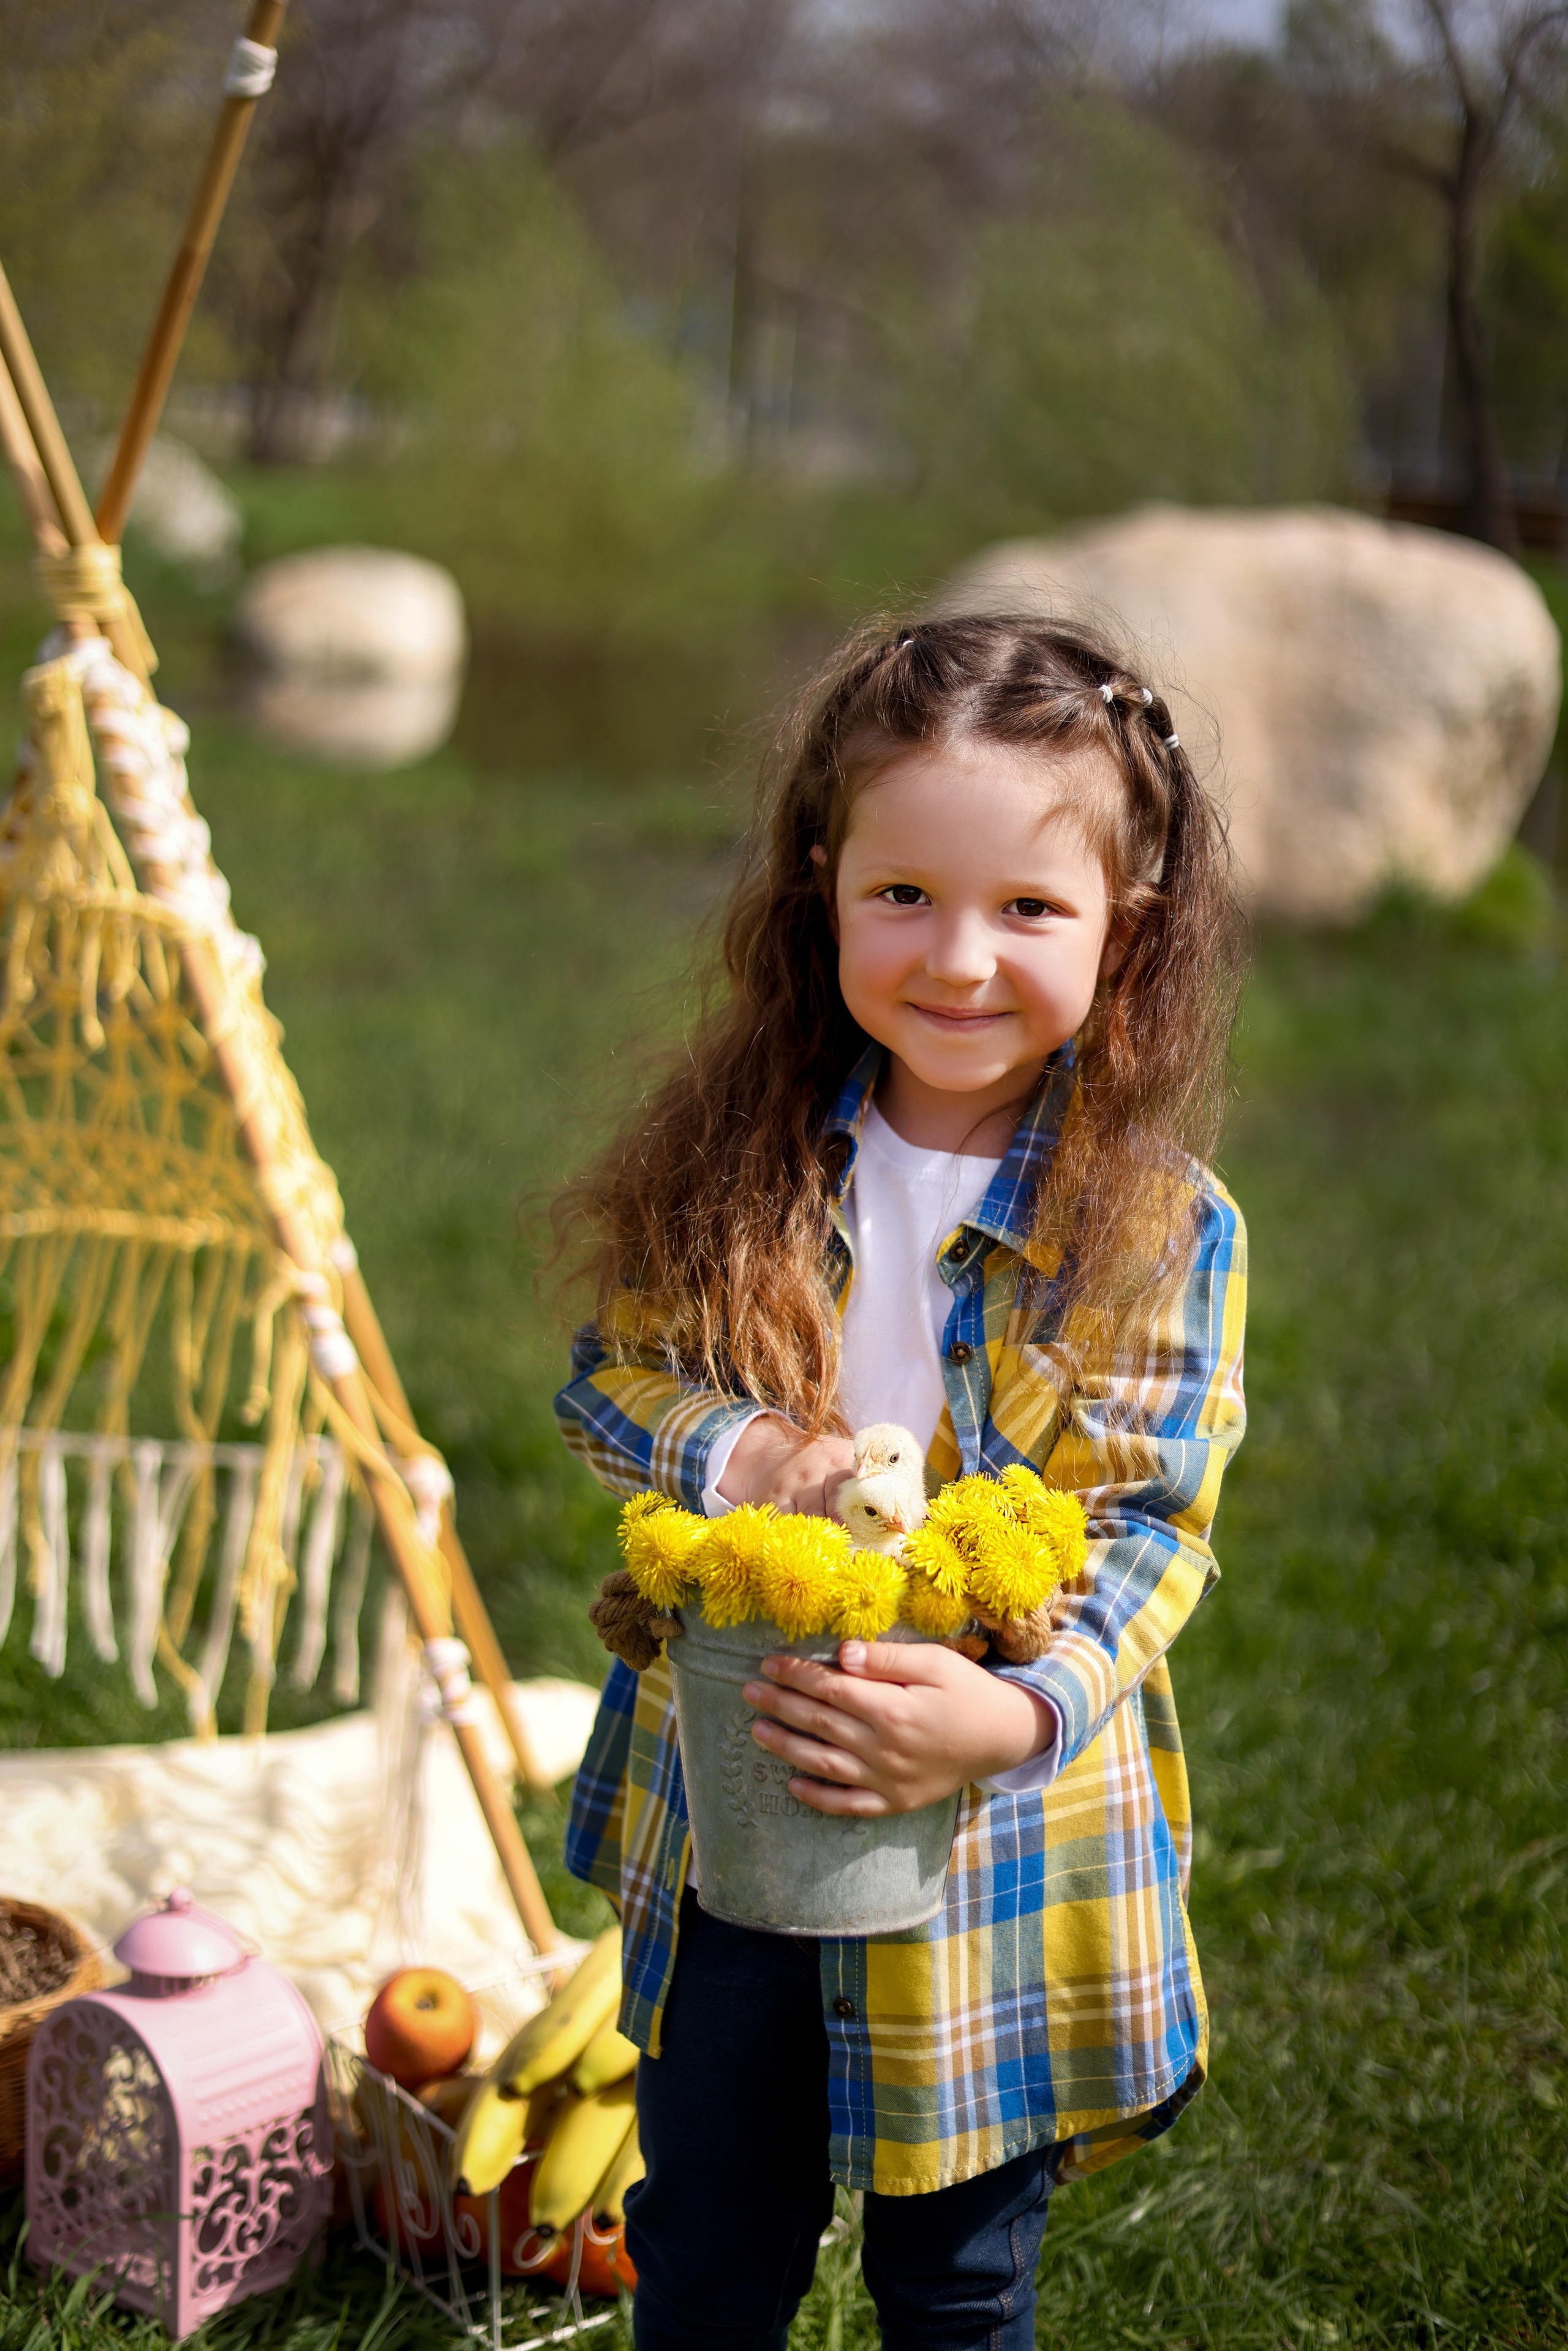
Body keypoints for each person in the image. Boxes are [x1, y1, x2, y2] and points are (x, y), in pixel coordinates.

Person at [551, 614, 1248, 2350]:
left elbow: (1148, 1527)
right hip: (746, 1767)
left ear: (1125, 930)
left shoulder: (1160, 1228)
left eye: (1029, 909)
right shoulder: (745, 1165)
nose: (959, 960)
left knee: (956, 2273)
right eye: (905, 897)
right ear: (820, 886)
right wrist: (751, 1451)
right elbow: (614, 1383)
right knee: (710, 2222)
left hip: (987, 1837)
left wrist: (1009, 1721)